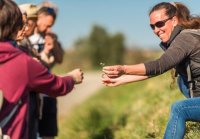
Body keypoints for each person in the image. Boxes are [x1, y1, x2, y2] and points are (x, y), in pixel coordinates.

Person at [102, 2, 200, 139]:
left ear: (174, 20)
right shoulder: (179, 40)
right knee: (181, 81)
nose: (156, 30)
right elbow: (155, 70)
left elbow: (159, 65)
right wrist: (120, 80)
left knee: (180, 109)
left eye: (160, 24)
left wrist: (124, 69)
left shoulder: (185, 39)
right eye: (152, 26)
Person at [0, 0, 84, 139]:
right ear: (15, 26)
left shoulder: (47, 41)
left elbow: (59, 57)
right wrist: (72, 78)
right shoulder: (22, 61)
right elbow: (57, 85)